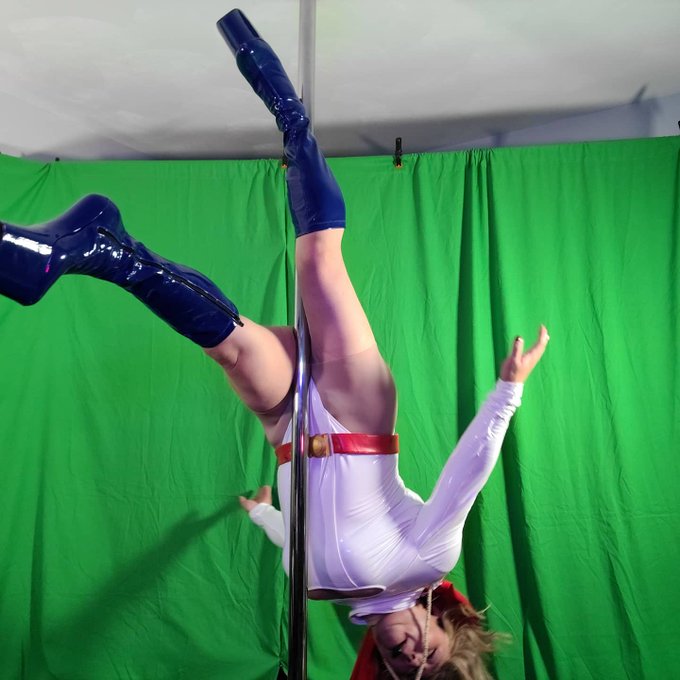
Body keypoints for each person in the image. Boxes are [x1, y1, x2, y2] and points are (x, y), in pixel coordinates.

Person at [0, 9, 549, 679]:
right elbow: (465, 478)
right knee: (318, 261)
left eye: (403, 667)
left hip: (289, 432)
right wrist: (507, 391)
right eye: (427, 653)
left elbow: (291, 533)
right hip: (357, 417)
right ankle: (289, 113)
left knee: (229, 346)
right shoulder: (428, 561)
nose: (409, 654)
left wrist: (263, 513)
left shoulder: (313, 586)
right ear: (443, 623)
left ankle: (96, 246)